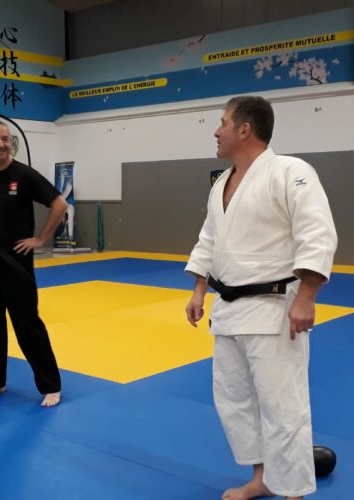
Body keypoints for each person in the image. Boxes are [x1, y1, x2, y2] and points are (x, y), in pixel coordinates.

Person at [185, 96, 337, 500]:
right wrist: (199, 288)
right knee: (235, 402)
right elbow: (209, 239)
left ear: (244, 129)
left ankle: (294, 490)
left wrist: (306, 297)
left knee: (282, 406)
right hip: (229, 310)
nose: (216, 131)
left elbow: (317, 234)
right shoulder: (222, 182)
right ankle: (263, 478)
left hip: (274, 309)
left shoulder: (291, 171)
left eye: (222, 122)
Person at [0, 120, 68, 407]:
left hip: (16, 258)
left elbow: (59, 204)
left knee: (27, 324)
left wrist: (41, 238)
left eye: (5, 139)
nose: (1, 144)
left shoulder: (24, 175)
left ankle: (51, 386)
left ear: (11, 143)